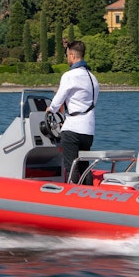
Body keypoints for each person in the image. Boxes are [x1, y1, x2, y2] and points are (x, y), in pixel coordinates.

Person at [47, 40, 100, 184]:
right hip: (88, 130)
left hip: (73, 129)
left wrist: (50, 109)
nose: (66, 58)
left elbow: (58, 100)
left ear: (72, 56)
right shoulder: (92, 78)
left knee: (72, 167)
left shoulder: (69, 76)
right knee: (84, 166)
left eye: (67, 55)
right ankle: (88, 193)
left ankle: (73, 193)